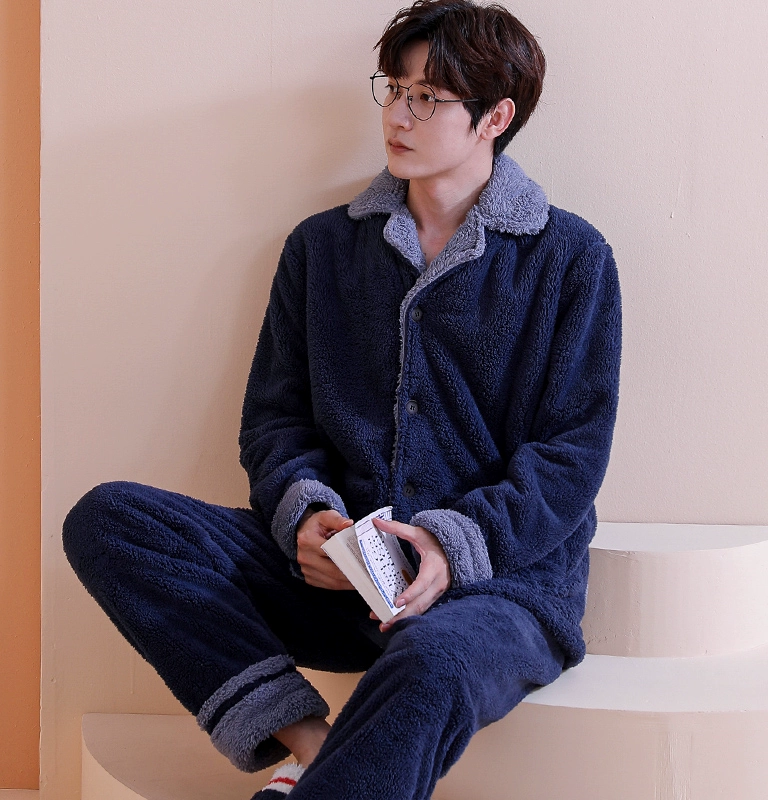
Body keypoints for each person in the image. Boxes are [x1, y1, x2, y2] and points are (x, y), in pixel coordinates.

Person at [62, 1, 622, 798]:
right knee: (111, 519)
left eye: (427, 97)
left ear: (495, 118)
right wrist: (306, 515)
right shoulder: (321, 248)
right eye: (393, 89)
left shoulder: (569, 258)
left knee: (433, 660)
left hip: (498, 588)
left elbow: (571, 453)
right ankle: (308, 742)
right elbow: (275, 420)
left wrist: (450, 546)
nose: (397, 115)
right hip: (342, 580)